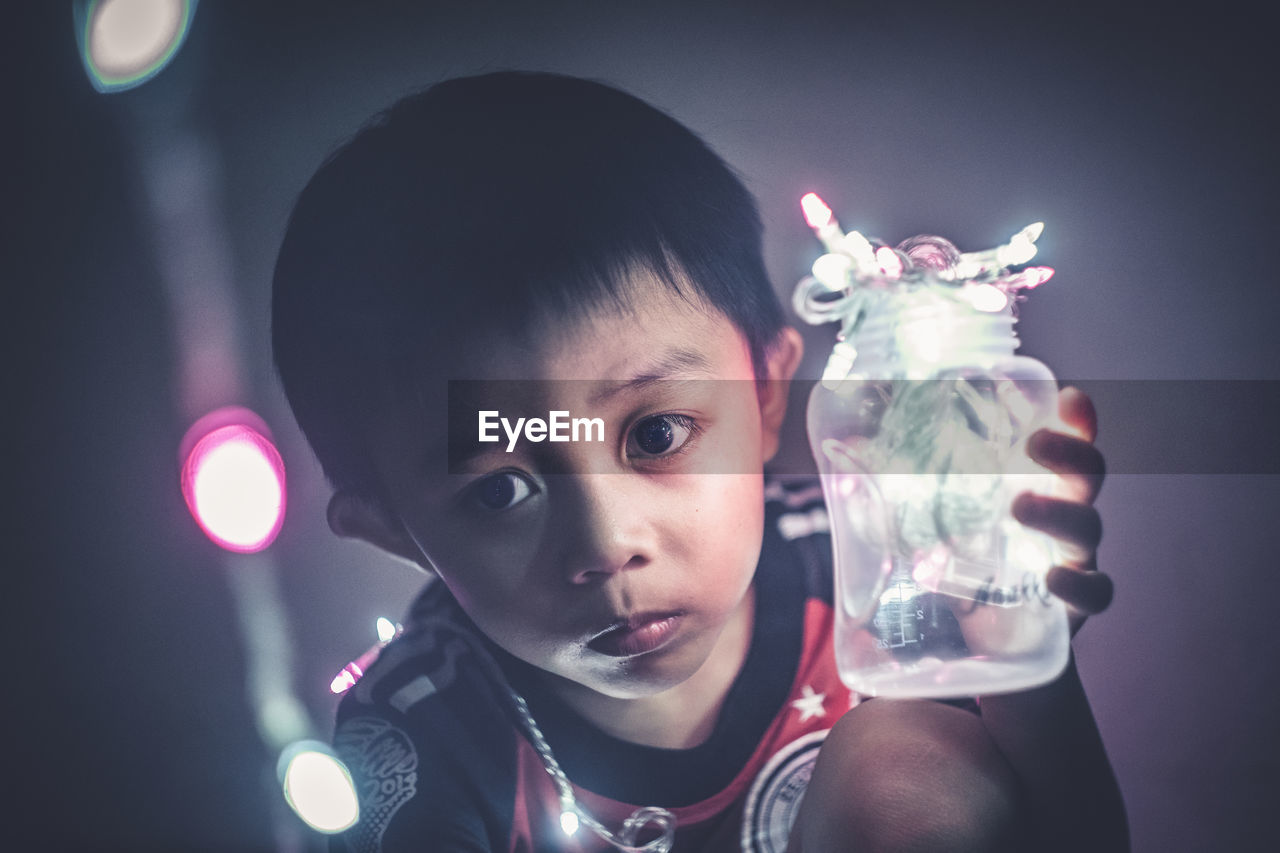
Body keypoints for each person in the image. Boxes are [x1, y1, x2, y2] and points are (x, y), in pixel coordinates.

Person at [272, 70, 1128, 852]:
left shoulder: (878, 570)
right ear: (393, 530)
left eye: (655, 435)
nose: (608, 543)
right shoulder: (421, 730)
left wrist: (1024, 655)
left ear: (763, 398)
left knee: (906, 767)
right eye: (501, 488)